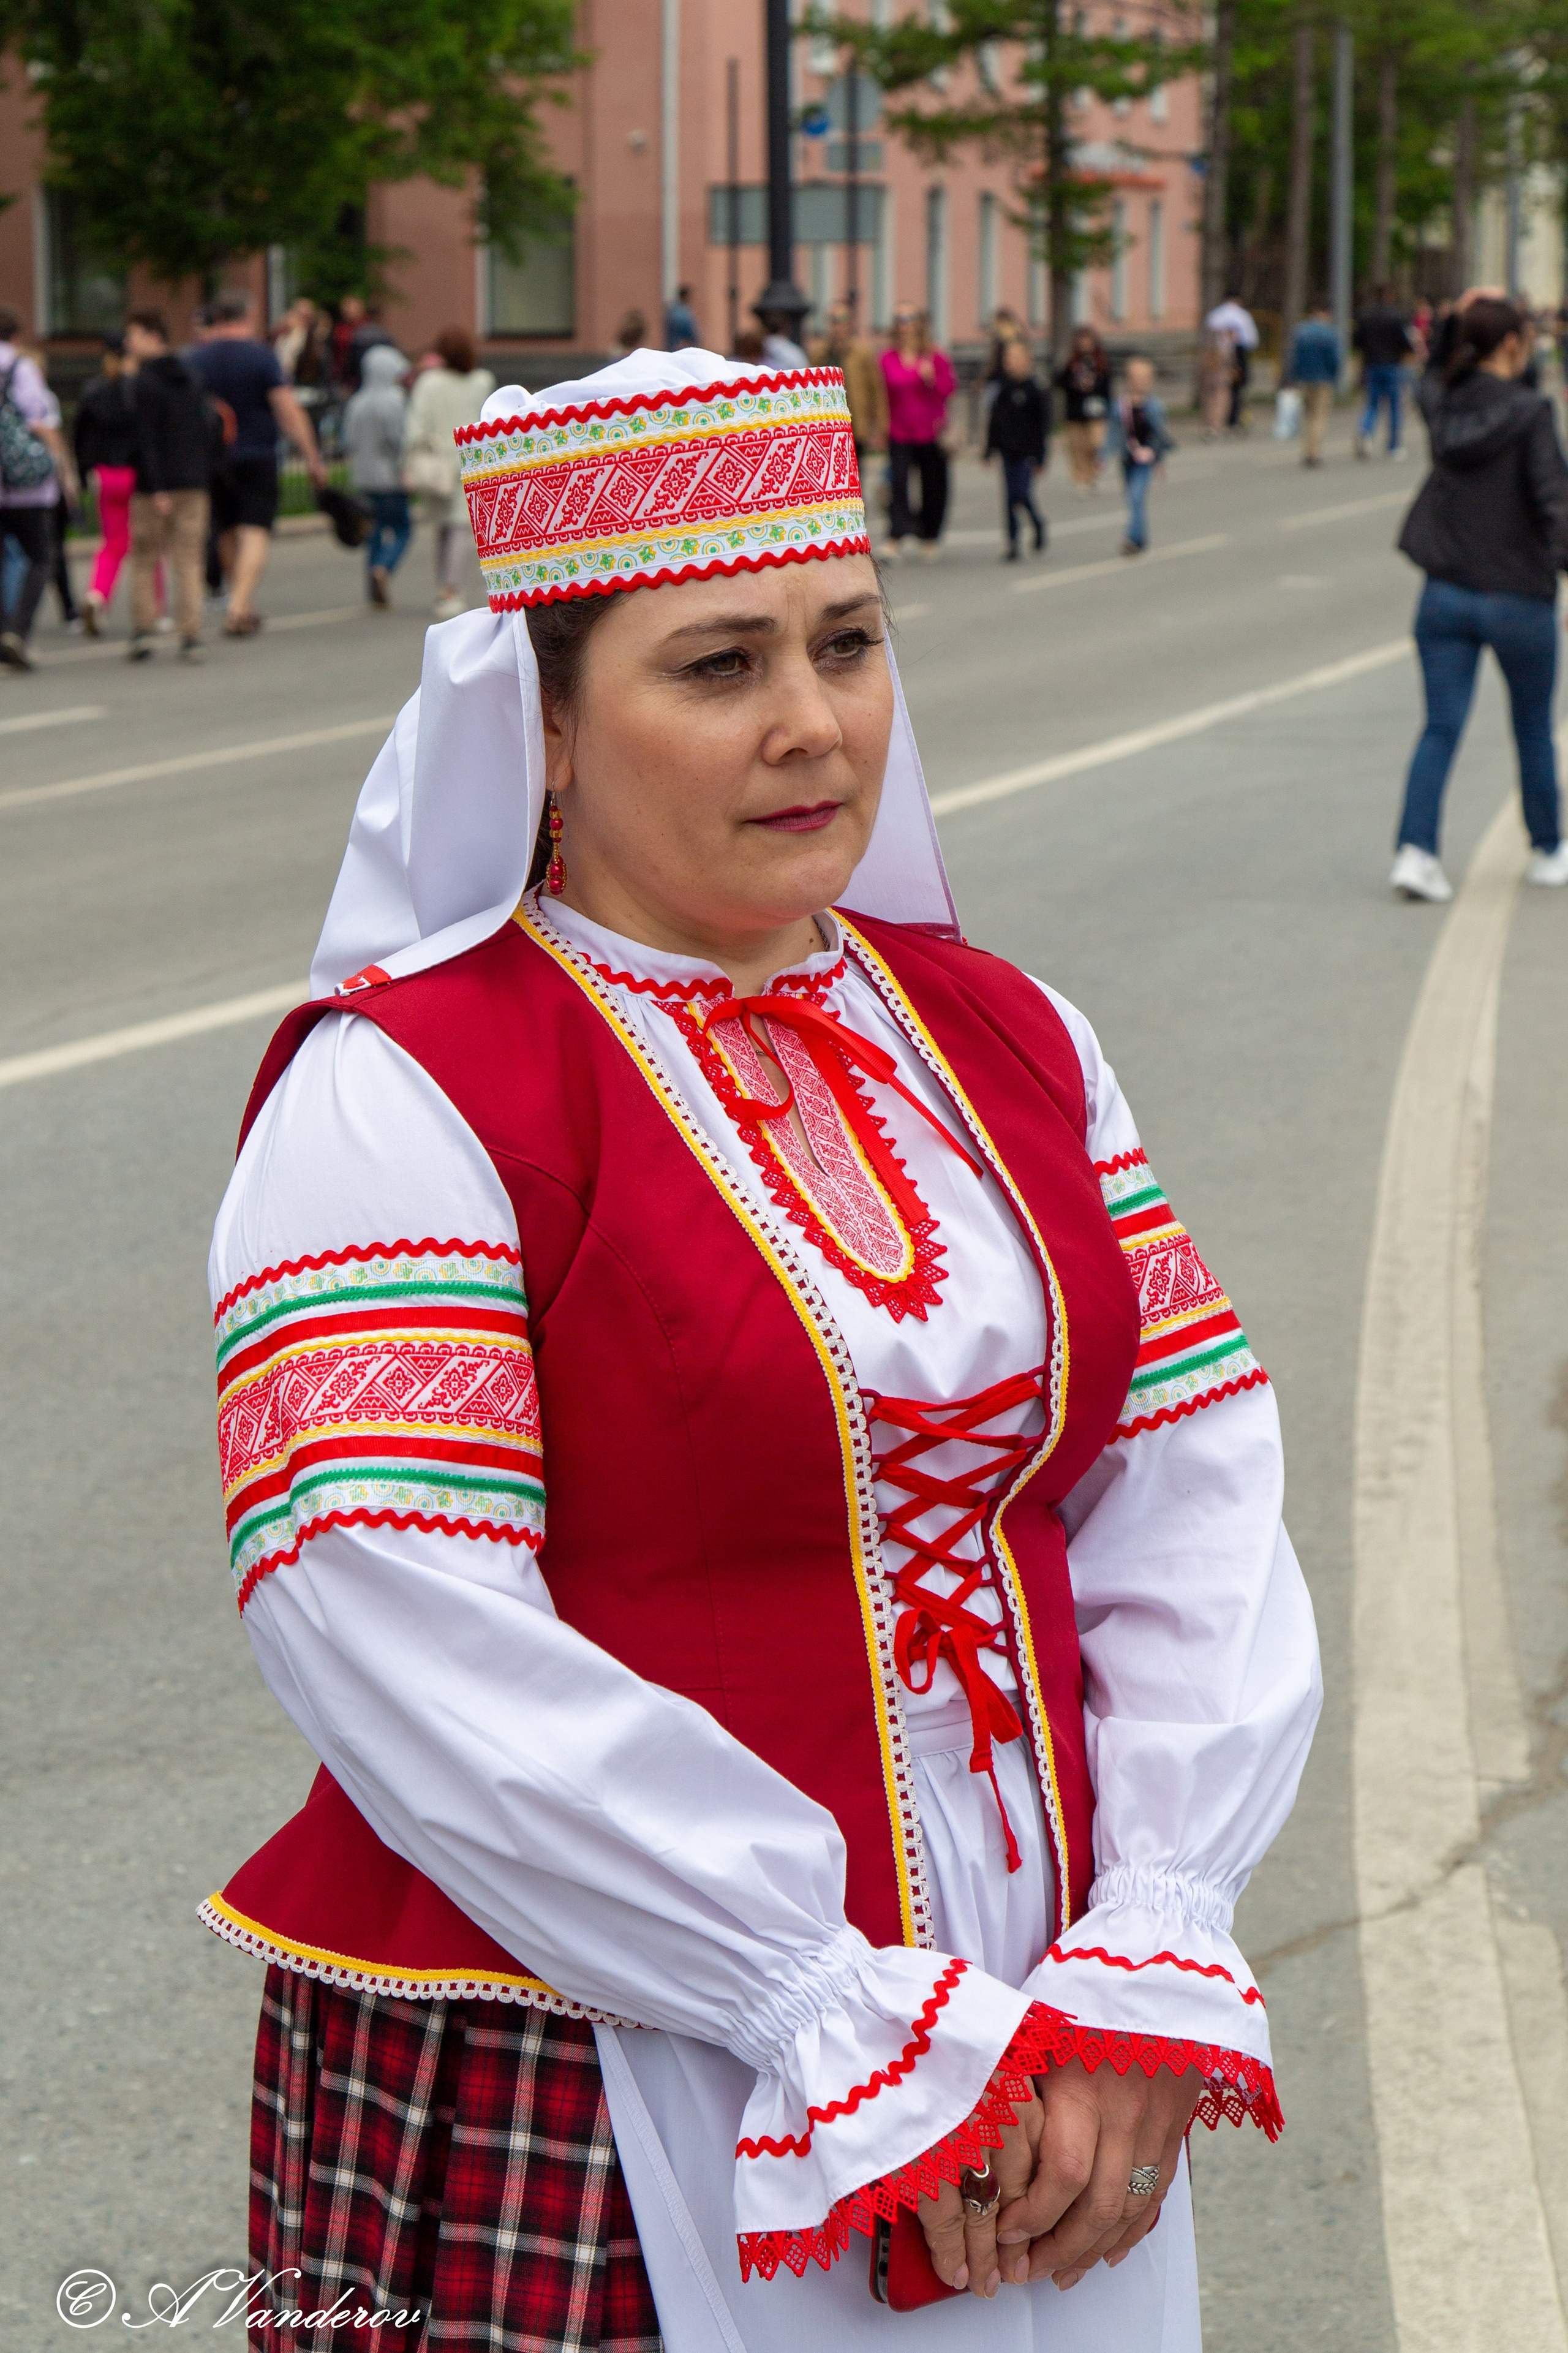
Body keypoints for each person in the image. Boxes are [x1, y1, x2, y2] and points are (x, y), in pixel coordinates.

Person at [202, 342, 1319, 2351]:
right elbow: (390, 1619)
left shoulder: (1008, 1034)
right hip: (610, 2009)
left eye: (850, 642)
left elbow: (1189, 1472)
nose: (815, 723)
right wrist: (813, 1993)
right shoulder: (408, 1097)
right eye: (718, 665)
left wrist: (1153, 1933)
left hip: (1052, 2006)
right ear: (539, 724)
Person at [1392, 295, 1568, 898]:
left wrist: (1448, 326)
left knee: (1438, 728)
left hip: (1443, 595)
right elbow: (1555, 506)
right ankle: (1547, 849)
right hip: (1518, 597)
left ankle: (1415, 853)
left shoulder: (1443, 407)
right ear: (1515, 346)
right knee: (1532, 728)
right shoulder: (1531, 413)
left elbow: (1430, 374)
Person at [188, 290, 324, 636]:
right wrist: (311, 455)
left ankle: (241, 602)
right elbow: (287, 408)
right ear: (245, 318)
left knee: (227, 529)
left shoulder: (194, 360)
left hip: (212, 457)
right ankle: (238, 605)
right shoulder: (261, 358)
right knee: (256, 530)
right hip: (258, 454)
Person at [123, 309, 212, 662]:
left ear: (153, 336)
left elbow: (145, 437)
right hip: (193, 480)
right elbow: (204, 429)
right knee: (189, 559)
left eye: (135, 335)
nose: (129, 343)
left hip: (153, 486)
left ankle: (143, 629)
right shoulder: (190, 376)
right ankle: (191, 634)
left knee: (145, 558)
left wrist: (156, 485)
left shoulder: (143, 381)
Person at [400, 325, 496, 620]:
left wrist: (408, 460)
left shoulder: (430, 383)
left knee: (443, 527)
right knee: (459, 527)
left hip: (438, 463)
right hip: (473, 461)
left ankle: (445, 587)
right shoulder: (482, 381)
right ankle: (449, 589)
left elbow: (416, 426)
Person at [0, 303, 75, 672]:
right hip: (27, 484)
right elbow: (40, 421)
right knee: (41, 556)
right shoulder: (19, 367)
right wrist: (64, 468)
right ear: (15, 335)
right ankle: (16, 631)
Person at [74, 335, 140, 633]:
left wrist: (83, 472)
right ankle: (154, 608)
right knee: (146, 543)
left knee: (112, 543)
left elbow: (80, 436)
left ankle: (97, 595)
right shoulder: (137, 390)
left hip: (105, 475)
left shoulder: (94, 390)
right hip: (136, 474)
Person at [880, 306, 956, 560]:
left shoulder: (935, 356)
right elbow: (882, 395)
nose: (905, 324)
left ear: (919, 324)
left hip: (930, 432)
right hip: (899, 431)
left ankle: (930, 534)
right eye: (900, 319)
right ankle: (896, 534)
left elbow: (948, 390)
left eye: (910, 319)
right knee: (898, 483)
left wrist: (932, 378)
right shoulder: (888, 358)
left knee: (933, 485)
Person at [344, 342, 412, 607]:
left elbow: (348, 441)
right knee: (402, 529)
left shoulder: (356, 402)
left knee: (373, 530)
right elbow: (398, 441)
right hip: (390, 478)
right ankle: (384, 567)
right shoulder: (395, 400)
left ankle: (372, 580)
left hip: (364, 477)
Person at [984, 337, 1049, 561]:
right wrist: (989, 450)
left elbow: (1042, 428)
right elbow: (994, 421)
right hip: (1007, 452)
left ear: (1027, 360)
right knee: (1009, 498)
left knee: (1020, 494)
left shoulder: (1035, 390)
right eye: (1008, 358)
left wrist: (1041, 458)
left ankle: (1038, 523)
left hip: (1027, 454)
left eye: (1016, 358)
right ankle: (1012, 542)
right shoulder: (1002, 389)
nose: (1011, 363)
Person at [1106, 355, 1173, 556]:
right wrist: (1102, 456)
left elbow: (1160, 436)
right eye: (1136, 377)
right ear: (1128, 379)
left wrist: (1160, 462)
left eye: (1144, 377)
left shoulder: (1155, 407)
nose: (1140, 382)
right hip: (1127, 459)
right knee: (1133, 499)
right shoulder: (1120, 406)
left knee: (1136, 497)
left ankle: (1132, 540)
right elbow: (1113, 433)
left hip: (1146, 461)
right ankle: (1141, 537)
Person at [809, 300, 888, 464]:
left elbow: (876, 390)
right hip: (829, 423)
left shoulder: (863, 352)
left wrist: (879, 427)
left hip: (856, 423)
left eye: (842, 320)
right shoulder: (820, 353)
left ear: (850, 323)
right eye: (834, 321)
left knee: (856, 471)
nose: (838, 326)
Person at [1353, 282, 1415, 459]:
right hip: (1393, 365)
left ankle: (1365, 431)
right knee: (1395, 406)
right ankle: (1394, 445)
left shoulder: (1365, 316)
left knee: (1372, 404)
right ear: (1389, 295)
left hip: (1372, 364)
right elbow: (1404, 342)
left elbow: (1357, 341)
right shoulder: (1396, 316)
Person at [1054, 327, 1112, 492]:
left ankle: (1092, 472)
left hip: (1096, 410)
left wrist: (1095, 387)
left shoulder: (1101, 362)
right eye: (1082, 340)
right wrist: (1075, 384)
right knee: (1077, 446)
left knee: (1096, 443)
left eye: (1088, 340)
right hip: (1076, 410)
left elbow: (1107, 386)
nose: (1085, 344)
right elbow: (1060, 382)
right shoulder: (1071, 362)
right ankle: (1082, 478)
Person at [1286, 302, 1343, 469]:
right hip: (1323, 379)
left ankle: (1306, 450)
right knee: (1319, 416)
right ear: (1325, 313)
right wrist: (1335, 377)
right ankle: (1314, 452)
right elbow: (1334, 360)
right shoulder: (1330, 333)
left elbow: (1294, 357)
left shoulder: (1301, 331)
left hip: (1304, 379)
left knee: (1307, 415)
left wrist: (1294, 376)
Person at [1204, 293, 1258, 429]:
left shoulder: (1215, 315)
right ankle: (1227, 420)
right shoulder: (1243, 316)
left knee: (1212, 392)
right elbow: (1251, 341)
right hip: (1232, 358)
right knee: (1229, 391)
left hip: (1212, 359)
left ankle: (1211, 421)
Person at [666, 283, 701, 349]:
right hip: (681, 329)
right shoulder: (680, 309)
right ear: (684, 296)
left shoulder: (675, 308)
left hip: (677, 332)